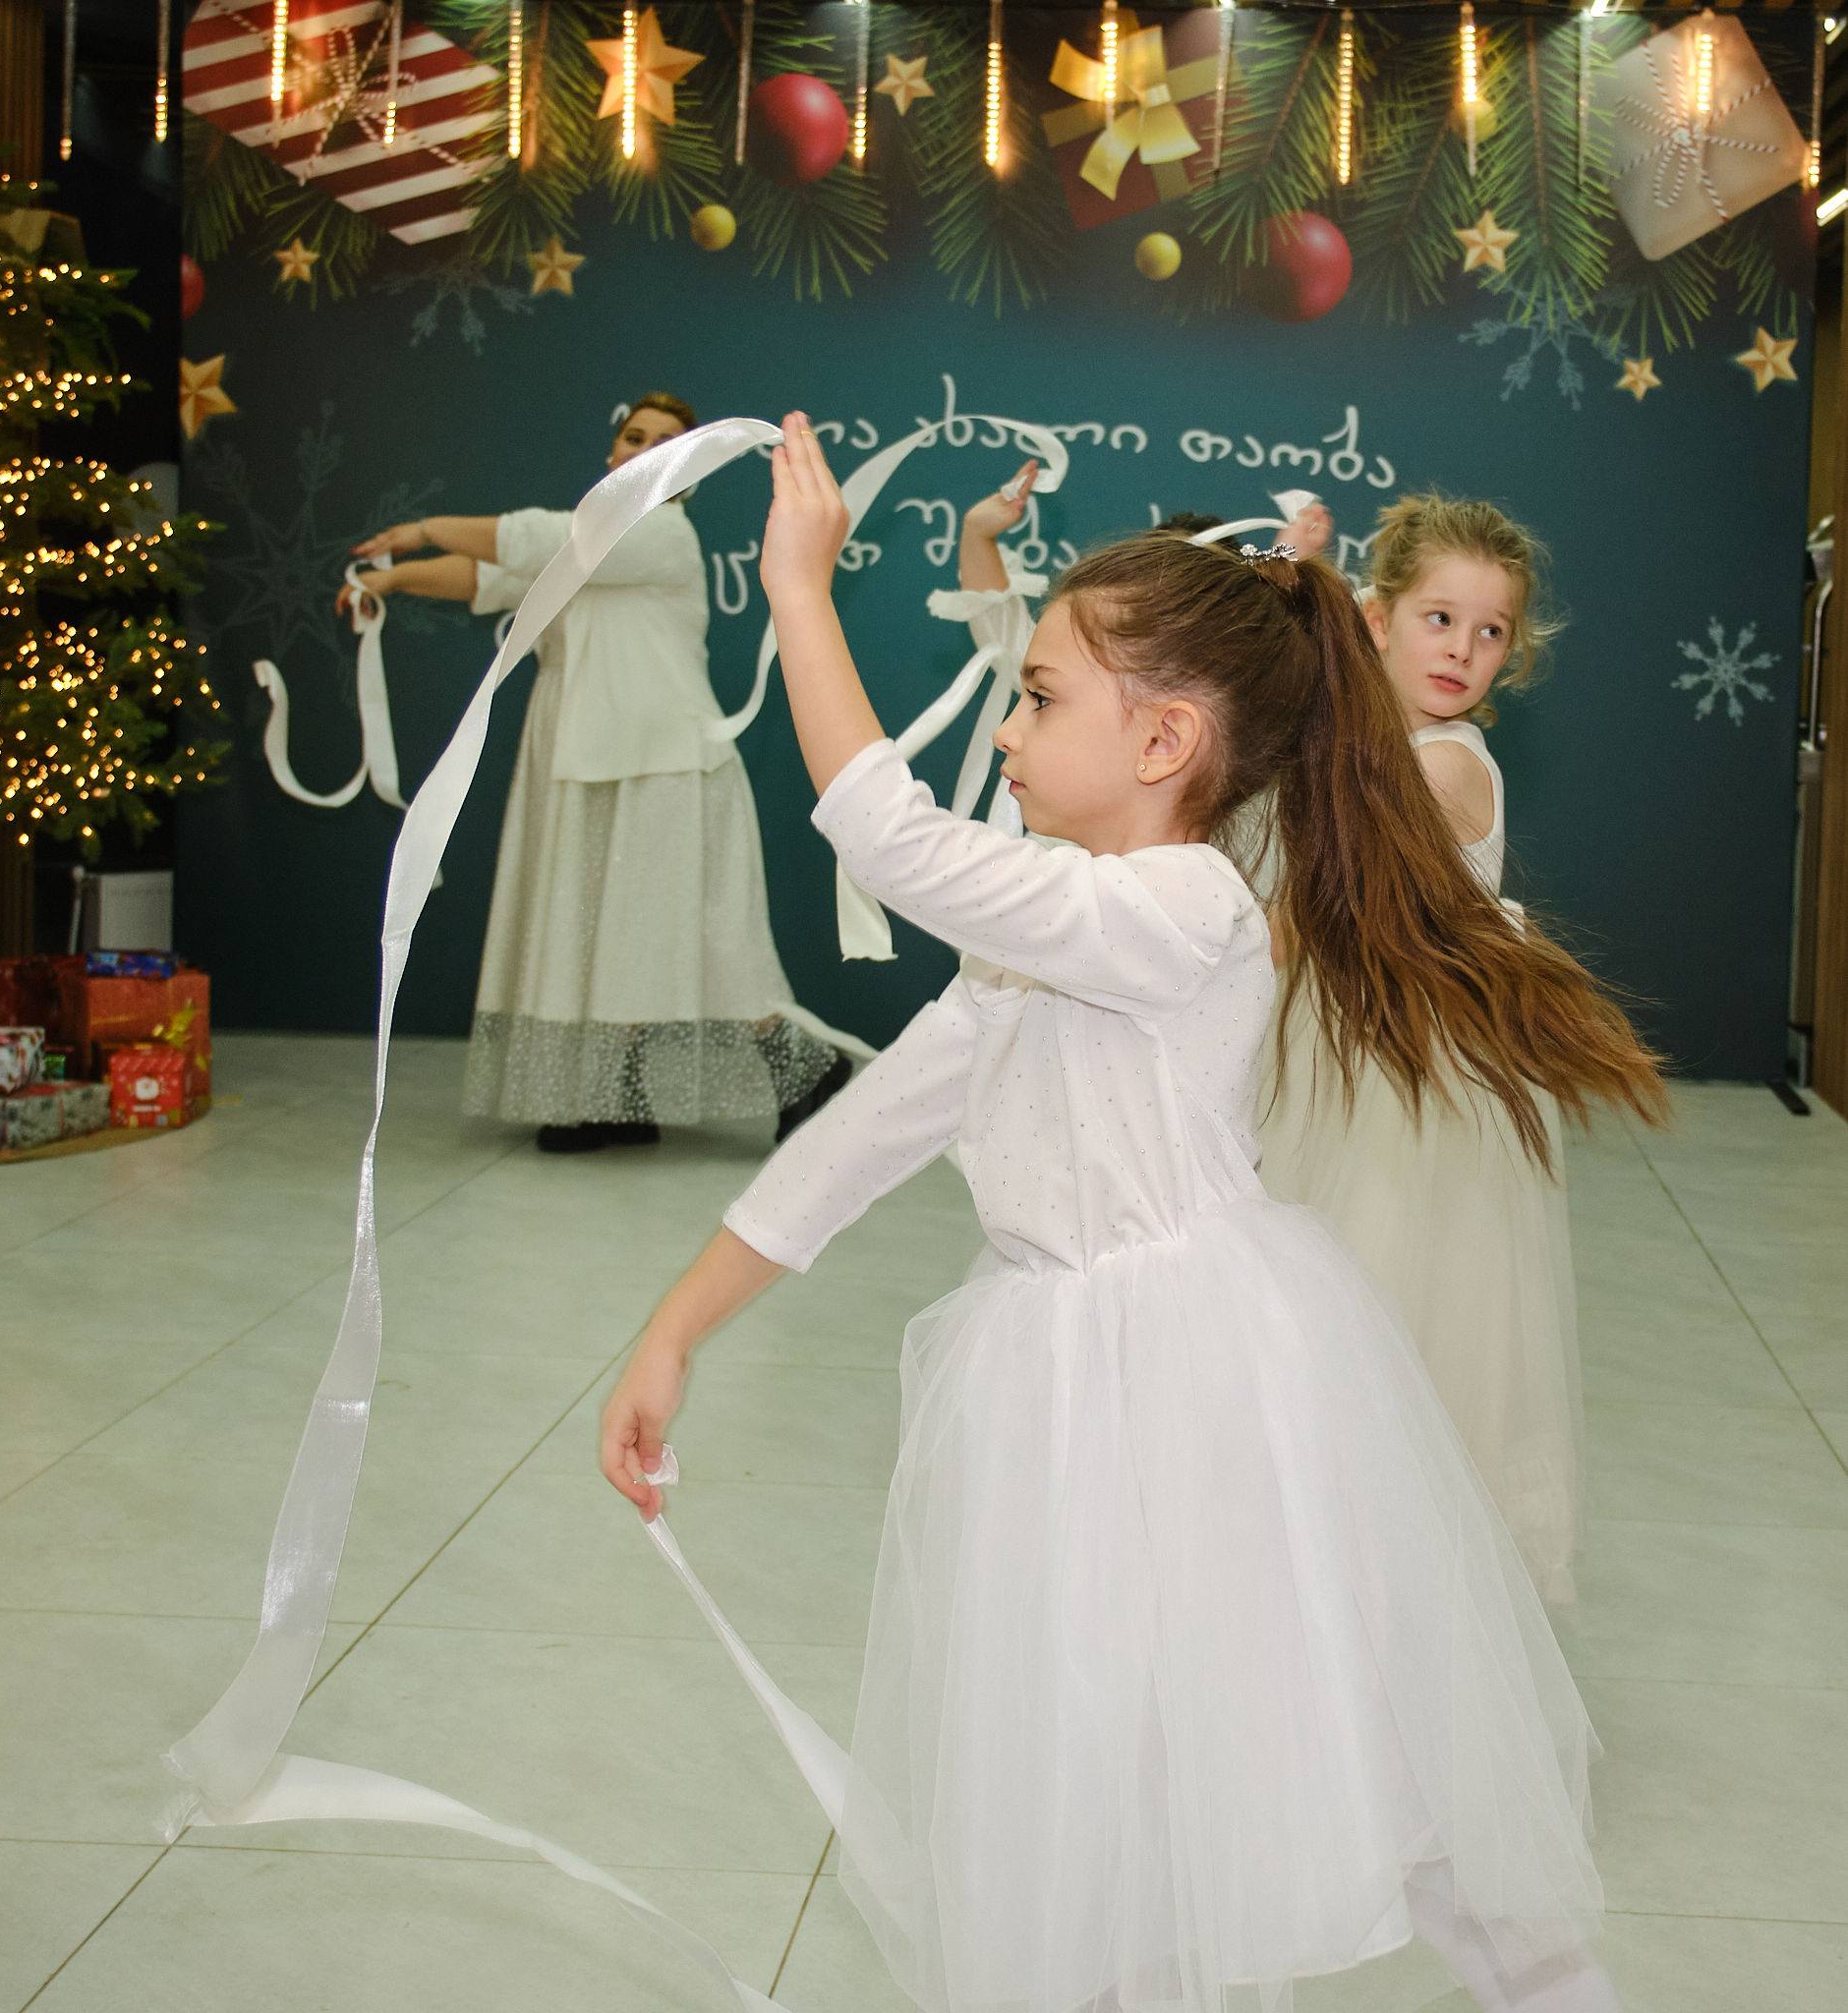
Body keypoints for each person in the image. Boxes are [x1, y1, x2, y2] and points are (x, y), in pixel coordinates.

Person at [597, 413, 1668, 2013]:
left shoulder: (1179, 910)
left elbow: (893, 840)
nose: (1008, 729)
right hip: (1056, 1397)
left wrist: (802, 594)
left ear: (1165, 741)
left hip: (1203, 1382)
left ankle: (1545, 1983)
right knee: (1100, 1768)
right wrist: (674, 1328)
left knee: (1339, 1734)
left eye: (1038, 697)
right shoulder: (1027, 956)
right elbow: (853, 1144)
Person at [337, 393, 849, 1153]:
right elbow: (488, 579)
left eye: (667, 444)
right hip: (583, 760)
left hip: (666, 767)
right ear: (613, 453)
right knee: (603, 938)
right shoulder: (586, 551)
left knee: (696, 936)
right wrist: (391, 582)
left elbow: (529, 540)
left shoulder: (660, 536)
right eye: (634, 436)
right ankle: (617, 1102)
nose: (646, 449)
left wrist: (421, 530)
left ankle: (807, 1069)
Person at [1255, 494, 1589, 1604]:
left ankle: (1379, 1581)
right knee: (1304, 1313)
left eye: (1491, 632)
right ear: (1381, 618)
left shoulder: (1447, 768)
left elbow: (1324, 863)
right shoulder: (1367, 735)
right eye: (1439, 619)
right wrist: (1291, 579)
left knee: (1389, 1319)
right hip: (1334, 1060)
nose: (1462, 649)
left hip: (1412, 1098)